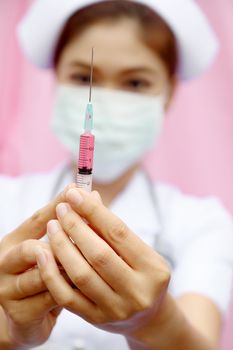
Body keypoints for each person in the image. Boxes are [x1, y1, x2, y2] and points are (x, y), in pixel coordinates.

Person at [0, 0, 233, 349]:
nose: (107, 99)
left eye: (135, 83)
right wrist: (10, 331)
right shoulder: (6, 200)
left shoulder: (202, 222)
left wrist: (155, 321)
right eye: (83, 77)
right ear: (57, 80)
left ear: (168, 93)